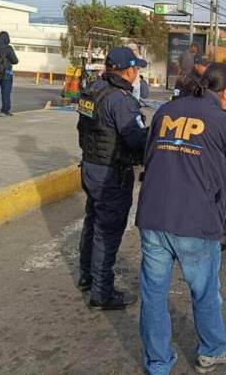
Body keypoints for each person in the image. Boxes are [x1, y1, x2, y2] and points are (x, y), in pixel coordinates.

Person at [137, 63, 226, 374]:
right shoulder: (224, 120)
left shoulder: (166, 111)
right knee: (203, 290)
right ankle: (212, 350)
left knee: (152, 293)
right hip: (196, 220)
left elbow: (148, 155)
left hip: (153, 216)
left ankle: (158, 363)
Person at [76, 47, 149, 310]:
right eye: (136, 69)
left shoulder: (93, 89)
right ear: (128, 71)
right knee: (107, 233)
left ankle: (86, 275)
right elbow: (136, 140)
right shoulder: (121, 100)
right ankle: (102, 293)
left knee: (92, 223)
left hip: (90, 166)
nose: (137, 73)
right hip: (110, 173)